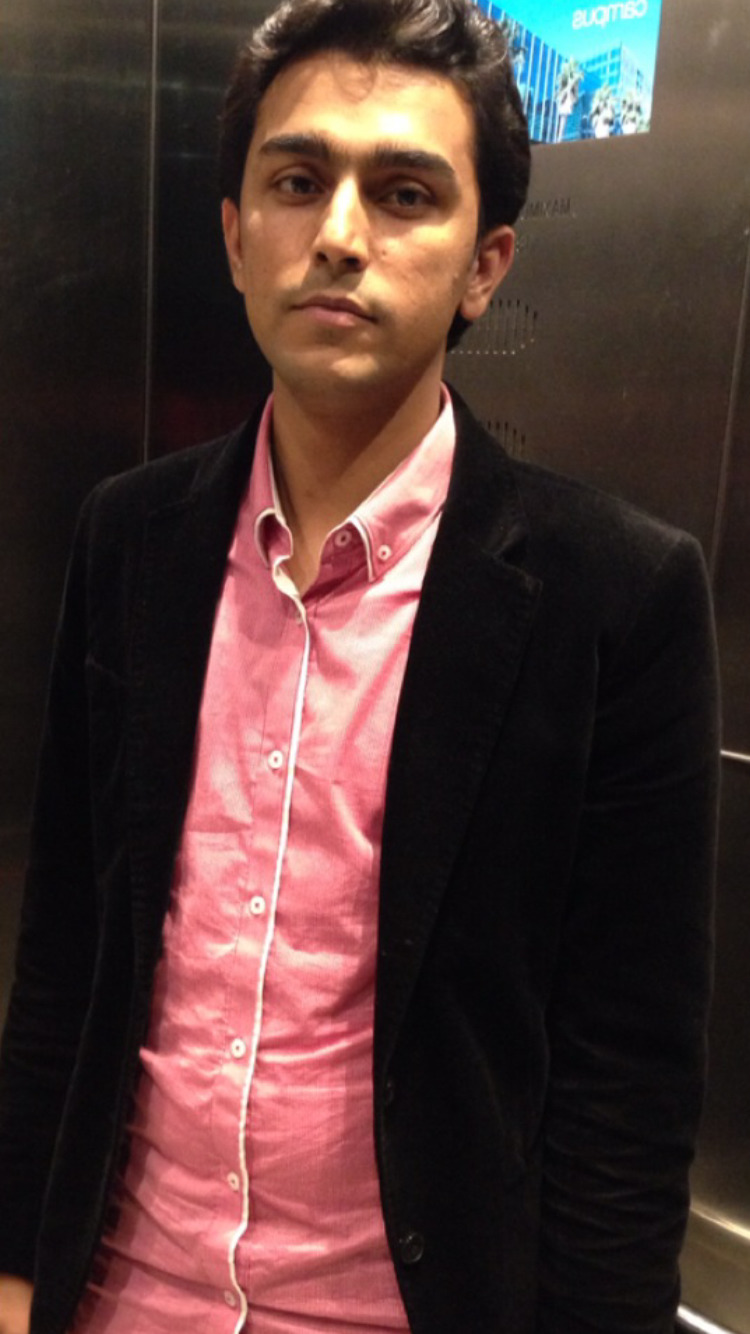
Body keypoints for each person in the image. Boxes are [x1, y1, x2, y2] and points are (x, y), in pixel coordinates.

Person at [0, 0, 720, 1330]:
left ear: (486, 264)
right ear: (233, 235)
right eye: (296, 181)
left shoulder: (614, 597)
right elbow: (67, 952)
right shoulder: (131, 538)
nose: (338, 233)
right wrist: (12, 1270)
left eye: (403, 194)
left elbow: (626, 1076)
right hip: (120, 1292)